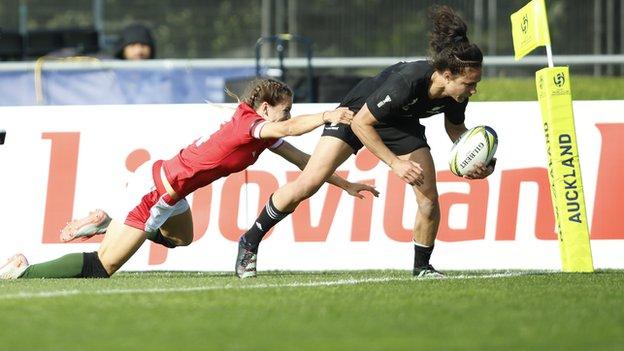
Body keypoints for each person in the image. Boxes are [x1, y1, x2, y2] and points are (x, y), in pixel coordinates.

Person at [0, 78, 378, 279]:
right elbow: (296, 129)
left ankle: (105, 222)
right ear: (265, 108)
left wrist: (345, 184)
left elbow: (304, 161)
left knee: (181, 239)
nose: (289, 115)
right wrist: (327, 115)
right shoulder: (252, 127)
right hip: (156, 191)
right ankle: (24, 271)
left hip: (170, 189)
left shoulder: (261, 130)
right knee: (103, 267)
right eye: (285, 109)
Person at [234, 5, 495, 279]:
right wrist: (395, 163)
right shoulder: (408, 81)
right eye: (469, 83)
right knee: (309, 182)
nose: (473, 90)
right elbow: (362, 123)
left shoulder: (457, 95)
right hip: (356, 113)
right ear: (447, 75)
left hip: (401, 125)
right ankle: (250, 240)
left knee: (428, 199)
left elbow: (456, 130)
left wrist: (477, 160)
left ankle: (422, 268)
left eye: (475, 83)